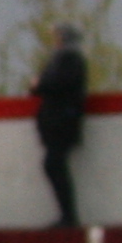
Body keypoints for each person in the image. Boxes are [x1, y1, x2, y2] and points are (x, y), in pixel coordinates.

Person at [31, 24, 90, 227]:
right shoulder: (62, 60)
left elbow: (57, 84)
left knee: (53, 163)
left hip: (62, 121)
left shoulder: (70, 60)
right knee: (53, 164)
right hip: (56, 121)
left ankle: (69, 216)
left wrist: (39, 84)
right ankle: (67, 215)